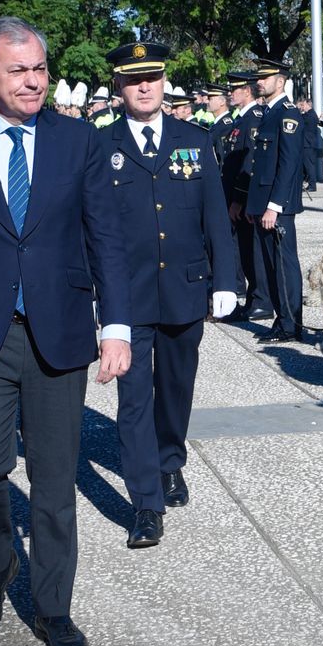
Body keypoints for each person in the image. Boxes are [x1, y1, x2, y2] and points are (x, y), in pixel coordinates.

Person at [0, 17, 132, 646]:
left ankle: (53, 606)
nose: (34, 81)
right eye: (19, 70)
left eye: (40, 68)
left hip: (59, 332)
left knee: (55, 478)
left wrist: (116, 326)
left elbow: (106, 238)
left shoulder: (79, 141)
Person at [102, 41, 237, 547]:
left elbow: (214, 216)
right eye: (134, 79)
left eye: (152, 78)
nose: (144, 87)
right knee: (134, 399)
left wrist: (227, 280)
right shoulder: (101, 144)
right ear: (119, 85)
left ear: (163, 82)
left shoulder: (194, 140)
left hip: (185, 287)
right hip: (128, 296)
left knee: (176, 387)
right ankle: (145, 503)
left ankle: (169, 459)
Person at [246, 58, 305, 343]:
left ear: (280, 82)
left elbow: (288, 164)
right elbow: (261, 165)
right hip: (264, 203)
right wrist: (254, 205)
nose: (259, 82)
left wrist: (274, 206)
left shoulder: (287, 114)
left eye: (265, 78)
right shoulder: (269, 113)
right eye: (258, 78)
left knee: (283, 265)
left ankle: (290, 325)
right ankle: (281, 320)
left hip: (277, 207)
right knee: (271, 265)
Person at [223, 70, 271, 320]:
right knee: (244, 250)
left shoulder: (252, 119)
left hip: (245, 198)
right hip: (237, 195)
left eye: (235, 89)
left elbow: (249, 164)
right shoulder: (242, 119)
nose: (230, 94)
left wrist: (239, 200)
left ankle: (262, 300)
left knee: (253, 252)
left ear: (247, 91)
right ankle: (254, 298)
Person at [296, 97, 321, 193]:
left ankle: (312, 185)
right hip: (307, 143)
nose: (302, 107)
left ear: (308, 105)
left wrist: (297, 110)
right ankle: (306, 183)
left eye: (303, 105)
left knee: (309, 165)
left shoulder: (310, 115)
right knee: (306, 165)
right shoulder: (309, 114)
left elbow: (300, 121)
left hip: (308, 144)